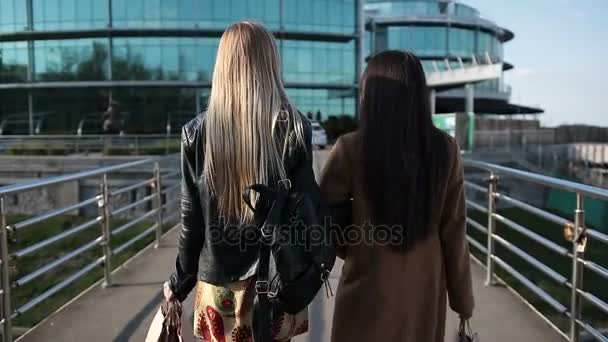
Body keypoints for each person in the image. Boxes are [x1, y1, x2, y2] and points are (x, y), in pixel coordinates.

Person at [163, 22, 318, 341]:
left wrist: (178, 285)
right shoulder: (295, 129)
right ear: (270, 65)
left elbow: (192, 224)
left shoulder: (197, 133)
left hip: (218, 291)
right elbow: (305, 213)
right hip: (276, 283)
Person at [320, 50, 474, 342]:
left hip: (365, 293)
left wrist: (356, 246)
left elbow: (326, 218)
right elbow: (454, 232)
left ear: (371, 95)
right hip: (423, 297)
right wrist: (463, 302)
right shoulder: (445, 149)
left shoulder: (351, 148)